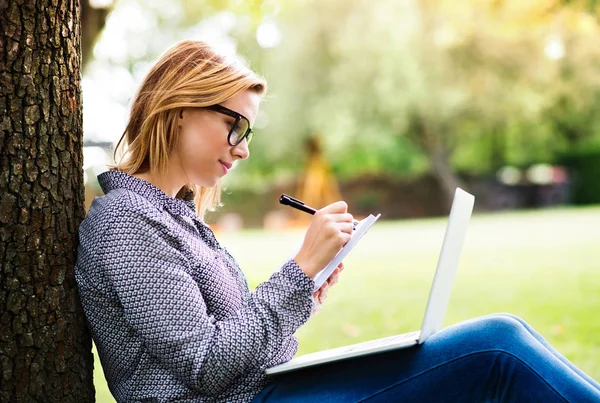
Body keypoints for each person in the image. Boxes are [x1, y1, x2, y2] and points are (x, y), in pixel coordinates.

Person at [75, 40, 600, 403]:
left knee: (505, 342)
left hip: (267, 392)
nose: (241, 151)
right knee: (497, 347)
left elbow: (247, 350)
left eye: (248, 134)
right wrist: (299, 272)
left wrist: (303, 291)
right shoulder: (126, 223)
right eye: (234, 126)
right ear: (179, 107)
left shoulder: (176, 218)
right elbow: (207, 364)